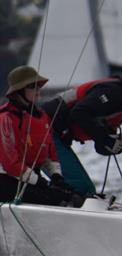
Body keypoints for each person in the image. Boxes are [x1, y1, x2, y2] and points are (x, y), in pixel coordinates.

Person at [42, 64, 122, 195]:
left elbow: (100, 146)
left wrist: (116, 145)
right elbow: (79, 112)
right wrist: (107, 140)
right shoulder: (114, 92)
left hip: (56, 135)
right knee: (81, 187)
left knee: (82, 188)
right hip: (44, 130)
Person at [1, 66, 79, 206]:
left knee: (71, 196)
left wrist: (56, 177)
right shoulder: (5, 119)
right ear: (19, 91)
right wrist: (42, 183)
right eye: (33, 86)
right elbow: (11, 165)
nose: (38, 90)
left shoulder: (42, 117)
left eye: (39, 86)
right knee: (56, 199)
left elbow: (49, 153)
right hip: (6, 180)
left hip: (30, 179)